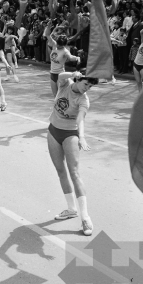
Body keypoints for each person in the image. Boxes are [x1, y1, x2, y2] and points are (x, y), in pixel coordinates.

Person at [48, 70, 98, 236]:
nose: (87, 88)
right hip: (53, 131)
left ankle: (85, 217)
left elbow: (80, 119)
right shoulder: (65, 85)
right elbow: (59, 76)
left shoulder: (83, 100)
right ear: (78, 79)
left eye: (90, 86)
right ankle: (71, 209)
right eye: (86, 84)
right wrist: (71, 73)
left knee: (74, 173)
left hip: (70, 134)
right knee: (60, 171)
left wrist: (81, 137)